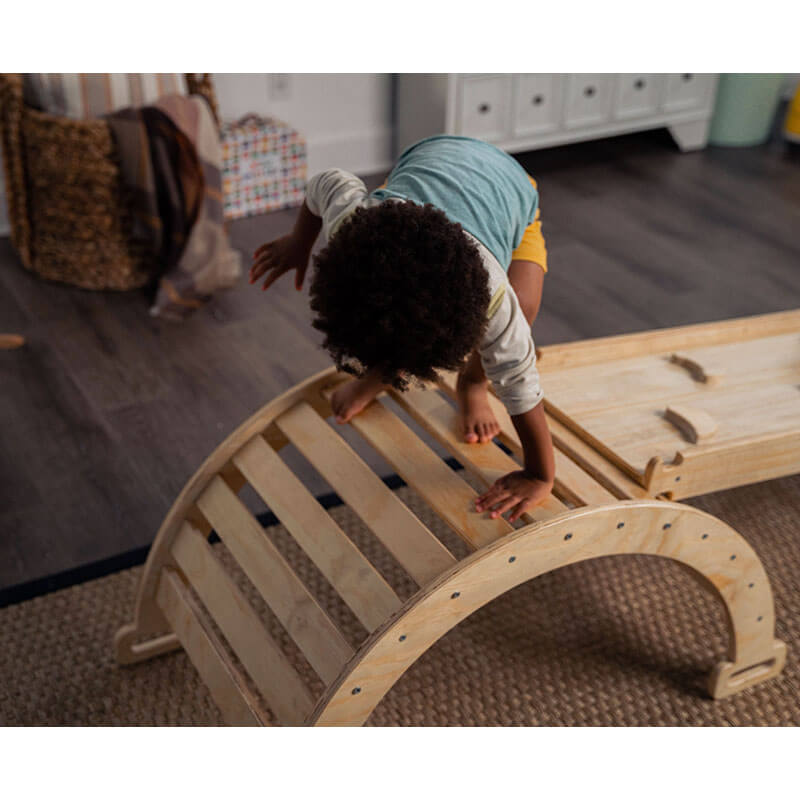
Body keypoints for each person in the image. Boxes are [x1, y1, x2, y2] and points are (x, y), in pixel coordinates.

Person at [250, 135, 553, 522]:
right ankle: (379, 374)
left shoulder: (494, 295)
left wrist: (539, 474)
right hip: (429, 160)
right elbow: (326, 181)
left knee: (523, 309)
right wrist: (299, 242)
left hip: (510, 186)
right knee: (391, 321)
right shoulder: (354, 225)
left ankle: (472, 384)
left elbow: (520, 381)